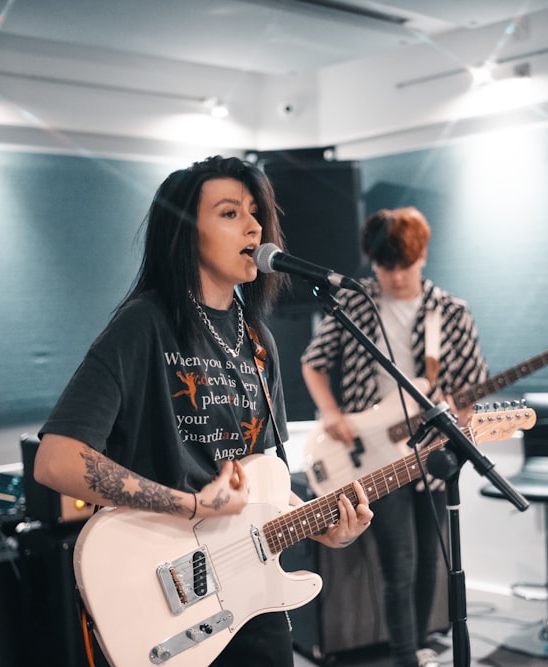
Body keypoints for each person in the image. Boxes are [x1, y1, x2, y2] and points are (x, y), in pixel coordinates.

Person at [33, 155, 373, 667]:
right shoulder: (144, 325)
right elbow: (56, 461)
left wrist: (322, 522)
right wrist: (190, 506)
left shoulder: (259, 343)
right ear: (185, 231)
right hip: (164, 596)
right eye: (230, 212)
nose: (255, 225)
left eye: (256, 212)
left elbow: (266, 481)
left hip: (251, 603)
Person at [300, 206, 488, 667]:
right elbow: (313, 360)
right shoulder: (356, 302)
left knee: (431, 560)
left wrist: (463, 419)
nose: (396, 276)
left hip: (430, 452)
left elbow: (470, 386)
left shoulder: (451, 312)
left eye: (404, 265)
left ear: (422, 255)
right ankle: (405, 658)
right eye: (386, 267)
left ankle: (420, 647)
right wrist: (330, 412)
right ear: (373, 263)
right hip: (374, 454)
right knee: (397, 564)